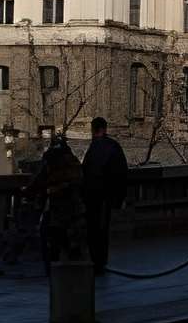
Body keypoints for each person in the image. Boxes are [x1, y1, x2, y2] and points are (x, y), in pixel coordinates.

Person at [81, 117, 130, 275]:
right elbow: (122, 173)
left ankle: (96, 260)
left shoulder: (94, 148)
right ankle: (100, 261)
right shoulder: (112, 146)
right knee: (102, 229)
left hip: (93, 195)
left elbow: (85, 172)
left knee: (93, 229)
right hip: (106, 195)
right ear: (105, 128)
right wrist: (120, 197)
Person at [34, 139, 86, 267]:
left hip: (58, 208)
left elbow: (40, 181)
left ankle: (54, 265)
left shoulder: (51, 161)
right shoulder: (74, 162)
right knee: (74, 239)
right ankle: (75, 263)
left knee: (54, 238)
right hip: (75, 208)